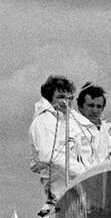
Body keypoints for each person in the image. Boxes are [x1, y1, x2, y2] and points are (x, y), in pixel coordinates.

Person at [29, 76, 97, 208]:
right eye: (61, 97)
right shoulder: (43, 121)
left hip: (81, 186)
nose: (66, 102)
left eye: (70, 98)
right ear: (49, 99)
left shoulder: (70, 120)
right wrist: (84, 172)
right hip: (62, 191)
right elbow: (47, 155)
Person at [76, 84, 111, 162]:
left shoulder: (102, 132)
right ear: (80, 107)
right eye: (91, 105)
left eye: (99, 106)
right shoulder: (71, 129)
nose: (95, 110)